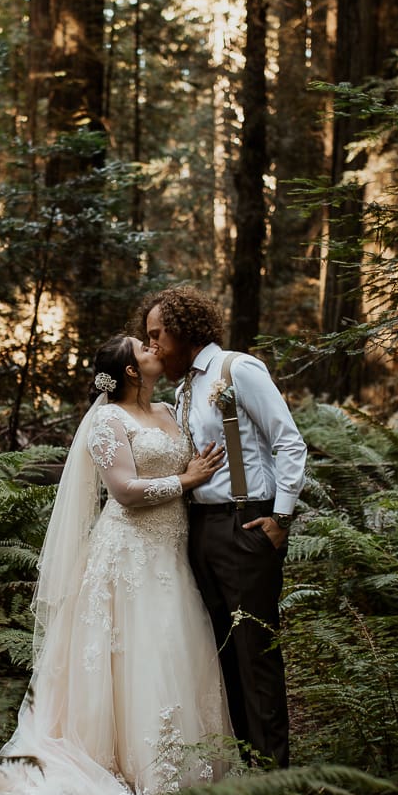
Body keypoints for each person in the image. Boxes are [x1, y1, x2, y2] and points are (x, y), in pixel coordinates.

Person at [0, 334, 235, 795]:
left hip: (171, 553)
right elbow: (124, 491)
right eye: (144, 346)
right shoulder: (107, 420)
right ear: (131, 370)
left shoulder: (168, 408)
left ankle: (189, 767)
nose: (154, 346)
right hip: (129, 554)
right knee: (137, 654)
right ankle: (130, 767)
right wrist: (188, 480)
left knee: (173, 651)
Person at [143, 286, 306, 769]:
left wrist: (281, 517)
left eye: (157, 337)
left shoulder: (238, 369)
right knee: (220, 649)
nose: (152, 347)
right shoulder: (183, 388)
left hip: (246, 522)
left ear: (183, 330)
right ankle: (243, 760)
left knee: (255, 650)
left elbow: (289, 442)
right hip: (199, 528)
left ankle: (274, 770)